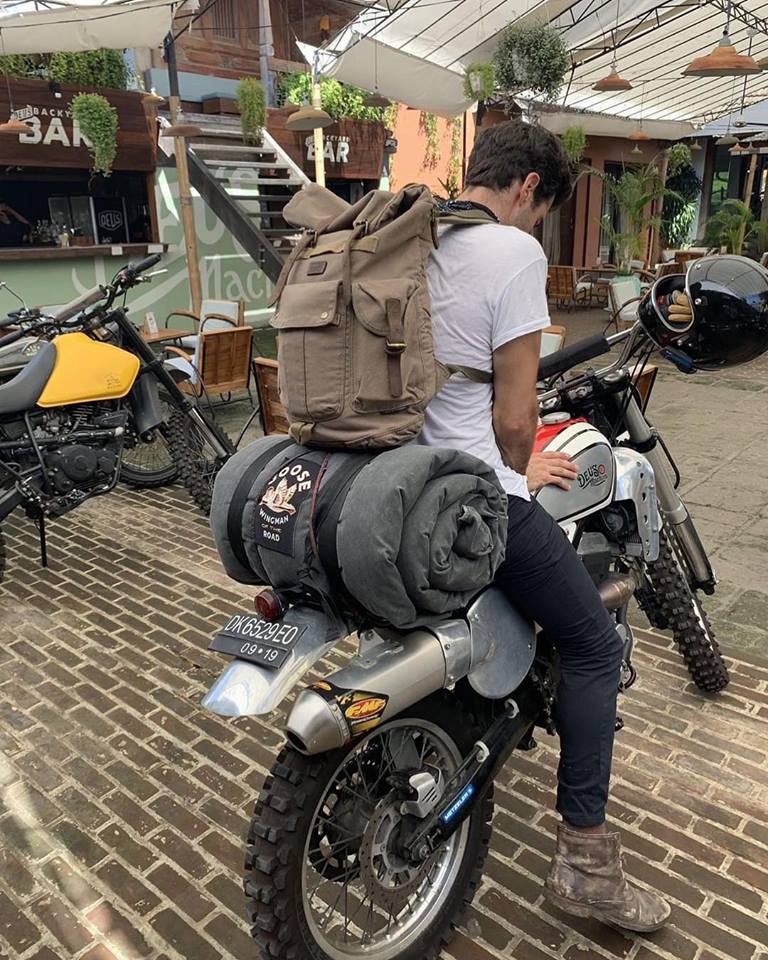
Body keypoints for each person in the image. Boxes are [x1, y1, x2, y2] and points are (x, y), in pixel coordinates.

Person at [417, 119, 670, 933]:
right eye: (542, 210)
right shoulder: (514, 252)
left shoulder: (414, 234)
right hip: (470, 494)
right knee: (594, 643)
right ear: (529, 187)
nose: (538, 225)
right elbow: (515, 419)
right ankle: (586, 863)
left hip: (393, 484)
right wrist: (520, 469)